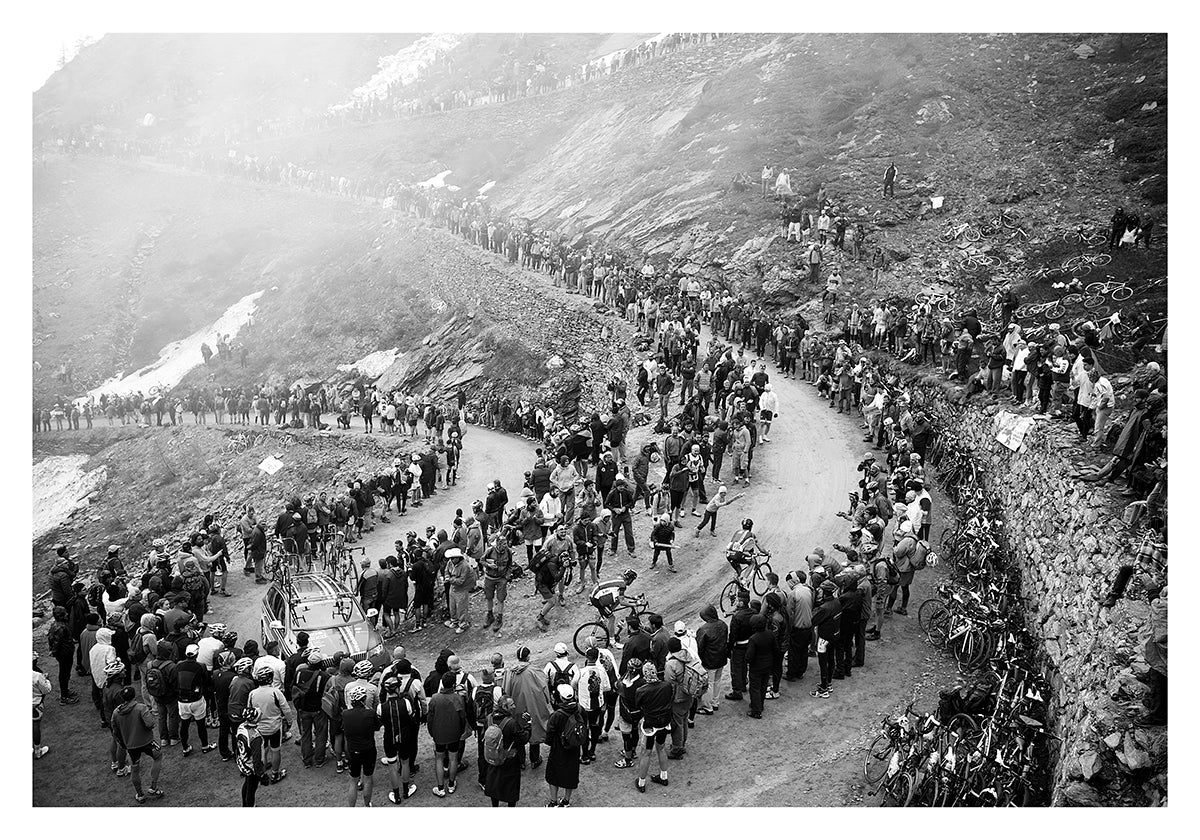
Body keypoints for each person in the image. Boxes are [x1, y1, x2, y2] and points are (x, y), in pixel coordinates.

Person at [110, 685, 165, 803]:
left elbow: (115, 730)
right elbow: (151, 724)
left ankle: (140, 794)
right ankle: (153, 787)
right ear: (134, 695)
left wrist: (123, 743)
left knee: (135, 769)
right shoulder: (141, 708)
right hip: (147, 742)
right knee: (158, 756)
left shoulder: (116, 712)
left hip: (131, 746)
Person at [501, 646, 550, 770]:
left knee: (518, 732)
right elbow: (545, 688)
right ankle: (534, 760)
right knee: (534, 730)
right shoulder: (535, 670)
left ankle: (521, 762)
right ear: (528, 656)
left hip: (516, 708)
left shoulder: (509, 672)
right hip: (533, 706)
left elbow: (506, 691)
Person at [247, 664, 293, 784]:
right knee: (275, 750)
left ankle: (262, 772)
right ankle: (275, 774)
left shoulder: (253, 693)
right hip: (274, 727)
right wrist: (289, 722)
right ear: (270, 678)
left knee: (263, 749)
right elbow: (286, 709)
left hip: (259, 728)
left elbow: (249, 710)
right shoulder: (275, 692)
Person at [633, 661, 673, 793]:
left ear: (644, 675)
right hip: (665, 722)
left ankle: (641, 782)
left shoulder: (641, 690)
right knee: (661, 748)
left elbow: (638, 706)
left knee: (646, 753)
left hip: (650, 724)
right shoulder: (667, 686)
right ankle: (664, 776)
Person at [484, 695, 531, 807]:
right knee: (511, 788)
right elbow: (523, 739)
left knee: (494, 786)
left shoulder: (489, 718)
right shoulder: (511, 723)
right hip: (510, 760)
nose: (514, 706)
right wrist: (528, 725)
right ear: (505, 707)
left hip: (493, 757)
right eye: (512, 705)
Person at [427, 671, 467, 797]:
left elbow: (430, 718)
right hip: (454, 733)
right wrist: (460, 731)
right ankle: (451, 784)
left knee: (439, 758)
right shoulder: (458, 698)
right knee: (453, 758)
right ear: (454, 684)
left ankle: (440, 787)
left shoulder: (435, 698)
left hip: (439, 733)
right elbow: (462, 717)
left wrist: (432, 732)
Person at [544, 684, 584, 806]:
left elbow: (549, 733)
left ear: (561, 698)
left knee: (553, 775)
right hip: (574, 748)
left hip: (559, 748)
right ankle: (566, 801)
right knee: (570, 775)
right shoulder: (580, 709)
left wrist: (550, 743)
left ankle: (553, 802)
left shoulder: (557, 715)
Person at [343, 684, 381, 806]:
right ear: (364, 699)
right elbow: (377, 727)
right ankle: (367, 804)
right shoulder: (370, 713)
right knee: (368, 778)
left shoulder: (345, 714)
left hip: (352, 750)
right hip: (368, 749)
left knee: (353, 781)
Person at [589, 569, 642, 641]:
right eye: (632, 580)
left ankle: (606, 613)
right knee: (611, 618)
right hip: (597, 599)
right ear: (630, 579)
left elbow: (620, 595)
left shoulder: (620, 579)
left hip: (595, 593)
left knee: (616, 600)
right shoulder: (623, 585)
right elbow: (622, 602)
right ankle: (612, 641)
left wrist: (632, 598)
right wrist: (634, 604)